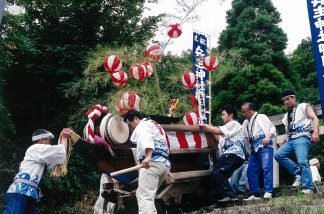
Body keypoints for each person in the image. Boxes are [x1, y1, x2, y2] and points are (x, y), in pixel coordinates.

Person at [2, 128, 71, 214]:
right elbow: (59, 152)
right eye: (48, 141)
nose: (50, 143)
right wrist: (64, 138)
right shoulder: (35, 148)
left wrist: (62, 139)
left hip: (29, 193)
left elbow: (58, 158)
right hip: (19, 191)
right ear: (41, 140)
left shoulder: (41, 157)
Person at [123, 109, 171, 214]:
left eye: (130, 125)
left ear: (136, 118)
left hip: (152, 163)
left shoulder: (143, 126)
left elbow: (147, 139)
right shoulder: (155, 125)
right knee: (149, 195)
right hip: (164, 164)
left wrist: (148, 156)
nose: (131, 128)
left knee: (144, 196)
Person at [274, 89, 320, 195]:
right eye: (284, 100)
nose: (286, 102)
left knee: (302, 161)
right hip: (291, 139)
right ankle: (298, 173)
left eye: (288, 99)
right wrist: (283, 138)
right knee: (278, 154)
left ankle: (308, 188)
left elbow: (315, 118)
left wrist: (316, 132)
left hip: (302, 137)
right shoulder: (286, 116)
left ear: (294, 97)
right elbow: (288, 132)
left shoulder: (303, 106)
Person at [199, 105, 245, 203]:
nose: (222, 117)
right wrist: (211, 129)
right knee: (216, 174)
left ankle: (230, 195)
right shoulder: (229, 128)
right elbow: (220, 139)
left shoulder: (234, 123)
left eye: (223, 114)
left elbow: (218, 131)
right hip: (232, 155)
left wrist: (207, 127)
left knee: (218, 173)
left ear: (231, 115)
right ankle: (222, 197)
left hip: (233, 154)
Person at [241, 102, 276, 200]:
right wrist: (248, 152)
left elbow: (272, 128)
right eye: (242, 112)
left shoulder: (261, 117)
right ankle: (255, 193)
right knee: (251, 171)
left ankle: (268, 191)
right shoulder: (245, 123)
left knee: (266, 168)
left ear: (251, 110)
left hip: (264, 145)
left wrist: (268, 137)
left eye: (245, 112)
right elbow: (245, 138)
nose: (243, 114)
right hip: (253, 149)